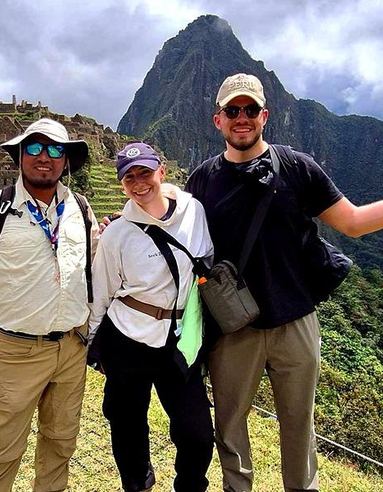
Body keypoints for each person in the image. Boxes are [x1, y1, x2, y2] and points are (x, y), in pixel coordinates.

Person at [185, 73, 383, 492]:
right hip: (234, 327)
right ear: (217, 120)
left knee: (298, 422)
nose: (242, 118)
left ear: (265, 116)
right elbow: (174, 230)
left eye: (250, 110)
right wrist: (120, 228)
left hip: (296, 320)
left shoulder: (297, 167)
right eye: (232, 111)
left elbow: (352, 222)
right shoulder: (202, 180)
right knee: (230, 423)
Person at [0, 118, 99, 492]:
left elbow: (94, 265)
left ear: (66, 160)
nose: (45, 157)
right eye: (36, 148)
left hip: (72, 347)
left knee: (61, 443)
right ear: (21, 155)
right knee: (1, 449)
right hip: (18, 350)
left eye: (56, 149)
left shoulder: (80, 208)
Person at [89, 143, 214, 492]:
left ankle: (189, 486)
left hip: (178, 339)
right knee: (126, 423)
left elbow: (205, 263)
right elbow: (102, 292)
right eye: (130, 178)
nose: (139, 183)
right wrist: (95, 347)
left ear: (161, 171)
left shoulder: (193, 211)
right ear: (122, 185)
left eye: (145, 172)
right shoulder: (116, 233)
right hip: (127, 338)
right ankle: (138, 483)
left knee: (198, 434)